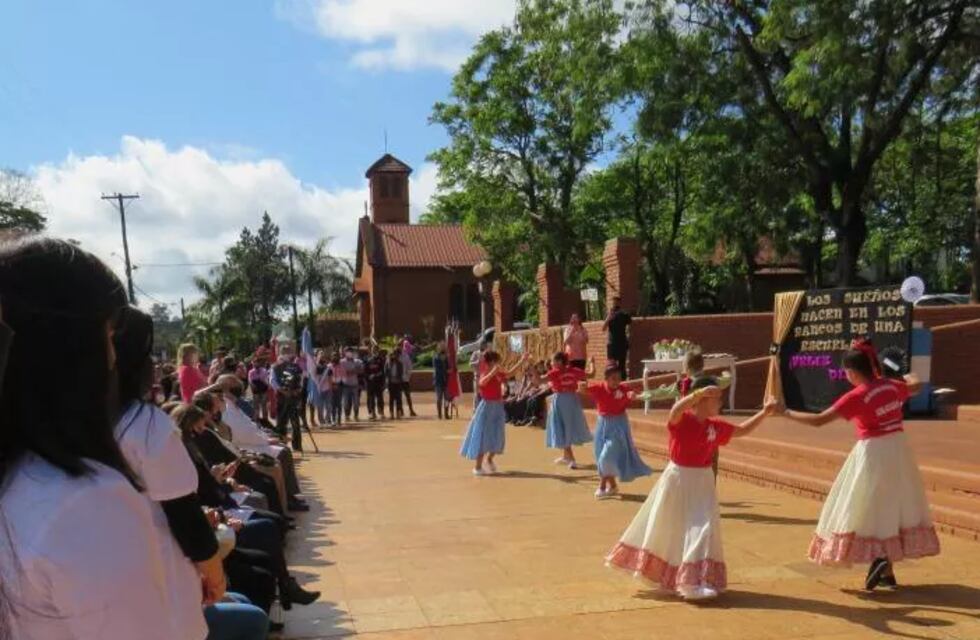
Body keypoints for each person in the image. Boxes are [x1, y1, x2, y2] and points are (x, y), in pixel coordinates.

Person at [0, 237, 190, 639]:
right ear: (71, 356)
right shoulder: (84, 502)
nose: (114, 358)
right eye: (107, 338)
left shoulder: (22, 486)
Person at [113, 308, 271, 637]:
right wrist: (214, 578)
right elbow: (186, 519)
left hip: (140, 584)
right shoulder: (144, 425)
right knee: (249, 615)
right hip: (152, 599)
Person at [780, 339, 940, 591]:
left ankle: (880, 559)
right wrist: (912, 376)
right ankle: (887, 569)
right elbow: (915, 386)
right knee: (893, 506)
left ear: (853, 372)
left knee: (863, 506)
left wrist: (785, 412)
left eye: (846, 372)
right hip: (899, 449)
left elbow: (819, 421)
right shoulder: (891, 386)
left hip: (873, 452)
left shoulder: (857, 396)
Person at [606, 378, 777, 600]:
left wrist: (764, 413)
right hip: (678, 478)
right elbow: (676, 410)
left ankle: (691, 583)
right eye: (716, 398)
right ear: (703, 399)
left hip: (703, 480)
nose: (720, 403)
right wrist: (697, 394)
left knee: (703, 527)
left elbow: (741, 430)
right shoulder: (682, 420)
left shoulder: (714, 426)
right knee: (670, 528)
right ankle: (680, 579)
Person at [581, 363, 652, 499]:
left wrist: (632, 395)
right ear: (606, 379)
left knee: (606, 456)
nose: (616, 381)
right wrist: (581, 386)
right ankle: (612, 486)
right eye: (613, 378)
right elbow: (584, 390)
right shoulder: (599, 388)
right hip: (602, 424)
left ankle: (602, 487)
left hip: (619, 425)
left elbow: (631, 393)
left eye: (618, 378)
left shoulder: (623, 389)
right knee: (600, 454)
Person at [460, 350, 529, 475]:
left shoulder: (498, 373)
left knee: (498, 435)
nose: (499, 364)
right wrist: (492, 372)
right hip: (487, 407)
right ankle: (477, 466)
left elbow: (509, 373)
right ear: (491, 362)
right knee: (483, 436)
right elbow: (482, 383)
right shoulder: (485, 372)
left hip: (498, 406)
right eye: (497, 361)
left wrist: (522, 361)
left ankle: (490, 459)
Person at [545, 352, 592, 468]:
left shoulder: (555, 372)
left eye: (553, 361)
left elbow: (539, 380)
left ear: (560, 362)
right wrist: (592, 363)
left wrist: (530, 366)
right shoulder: (574, 371)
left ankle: (572, 459)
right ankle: (566, 456)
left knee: (563, 427)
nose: (551, 363)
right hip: (573, 400)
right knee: (566, 427)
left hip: (561, 401)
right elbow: (591, 374)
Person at [271, 342, 305, 451]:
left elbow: (301, 380)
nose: (286, 354)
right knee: (281, 423)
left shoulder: (296, 367)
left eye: (288, 351)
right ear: (280, 353)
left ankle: (297, 446)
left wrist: (298, 390)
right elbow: (273, 382)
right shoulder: (275, 367)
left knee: (295, 423)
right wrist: (283, 391)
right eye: (284, 351)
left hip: (294, 399)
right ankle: (281, 445)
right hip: (281, 398)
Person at [603, 296, 632, 379]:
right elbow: (603, 328)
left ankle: (622, 382)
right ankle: (610, 380)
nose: (614, 303)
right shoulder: (608, 313)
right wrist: (608, 318)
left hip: (622, 343)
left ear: (619, 303)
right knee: (611, 365)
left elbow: (630, 324)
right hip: (612, 343)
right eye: (613, 302)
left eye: (616, 302)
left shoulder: (624, 314)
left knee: (622, 364)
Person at [248, 348, 271, 425]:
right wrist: (253, 387)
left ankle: (265, 419)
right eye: (254, 362)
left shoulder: (263, 370)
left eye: (257, 362)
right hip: (255, 390)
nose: (255, 364)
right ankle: (257, 419)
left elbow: (265, 379)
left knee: (264, 405)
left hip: (263, 389)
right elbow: (250, 381)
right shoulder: (251, 372)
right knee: (256, 406)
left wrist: (267, 385)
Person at [338, 348, 362, 422]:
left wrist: (354, 371)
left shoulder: (357, 361)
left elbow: (361, 370)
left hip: (355, 384)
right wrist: (348, 372)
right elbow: (340, 371)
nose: (349, 353)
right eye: (348, 352)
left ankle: (356, 416)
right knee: (346, 402)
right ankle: (347, 416)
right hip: (345, 385)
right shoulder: (341, 362)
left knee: (356, 402)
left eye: (351, 352)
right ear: (345, 353)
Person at [365, 346, 386, 420]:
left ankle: (381, 412)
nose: (375, 351)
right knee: (371, 399)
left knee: (380, 398)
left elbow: (383, 372)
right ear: (371, 351)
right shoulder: (368, 360)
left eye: (376, 350)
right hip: (370, 384)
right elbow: (365, 372)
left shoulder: (381, 360)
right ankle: (372, 413)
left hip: (378, 383)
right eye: (373, 350)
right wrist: (369, 376)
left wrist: (383, 382)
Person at [433, 342, 450, 419]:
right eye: (441, 347)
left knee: (447, 398)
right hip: (438, 381)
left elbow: (449, 367)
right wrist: (446, 370)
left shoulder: (446, 358)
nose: (443, 348)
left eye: (444, 347)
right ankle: (439, 415)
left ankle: (446, 414)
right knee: (439, 398)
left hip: (446, 381)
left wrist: (449, 370)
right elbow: (437, 369)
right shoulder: (436, 357)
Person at [385, 349, 404, 418]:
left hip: (398, 383)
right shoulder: (388, 363)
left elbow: (401, 373)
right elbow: (386, 372)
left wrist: (398, 378)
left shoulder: (399, 363)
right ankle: (391, 413)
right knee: (391, 399)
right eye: (393, 354)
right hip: (391, 383)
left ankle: (398, 412)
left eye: (395, 354)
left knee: (398, 398)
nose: (394, 356)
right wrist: (387, 381)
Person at [400, 344, 418, 417]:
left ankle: (411, 410)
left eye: (400, 346)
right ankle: (400, 411)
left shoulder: (406, 356)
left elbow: (409, 367)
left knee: (407, 395)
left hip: (405, 379)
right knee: (399, 396)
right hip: (397, 380)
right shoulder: (395, 355)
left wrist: (407, 376)